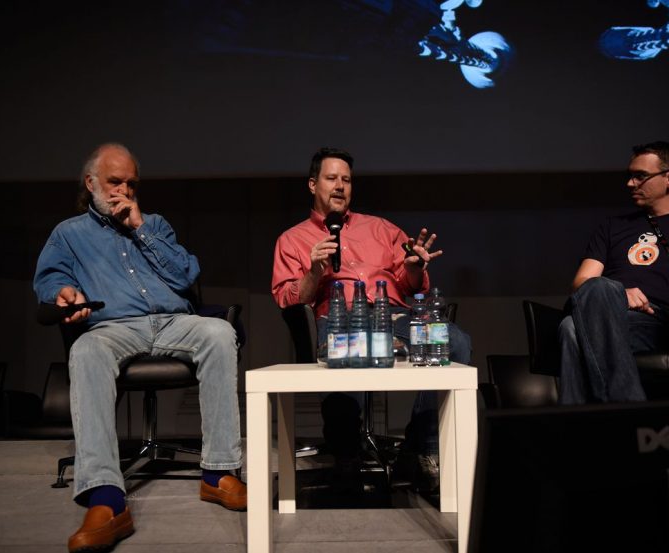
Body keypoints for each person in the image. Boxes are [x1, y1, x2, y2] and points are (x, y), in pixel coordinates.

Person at [34, 144, 246, 553]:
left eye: (131, 183)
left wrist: (141, 228)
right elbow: (50, 278)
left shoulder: (155, 224)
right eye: (115, 182)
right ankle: (105, 498)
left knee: (220, 334)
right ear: (91, 183)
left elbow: (186, 275)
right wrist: (63, 291)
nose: (124, 190)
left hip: (172, 321)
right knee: (85, 352)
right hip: (113, 326)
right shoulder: (69, 233)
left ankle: (218, 473)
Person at [271, 147, 471, 492]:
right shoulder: (293, 239)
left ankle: (419, 449)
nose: (340, 186)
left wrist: (413, 268)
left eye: (346, 180)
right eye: (332, 178)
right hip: (338, 318)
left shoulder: (381, 229)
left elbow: (411, 286)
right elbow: (289, 299)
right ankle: (346, 455)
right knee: (344, 349)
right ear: (312, 184)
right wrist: (314, 272)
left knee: (454, 341)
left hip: (391, 315)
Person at [558, 141, 669, 404]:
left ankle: (578, 425)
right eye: (630, 176)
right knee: (599, 288)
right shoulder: (612, 227)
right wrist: (621, 293)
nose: (630, 184)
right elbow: (582, 283)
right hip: (612, 311)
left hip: (659, 323)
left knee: (571, 329)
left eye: (640, 176)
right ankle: (629, 405)